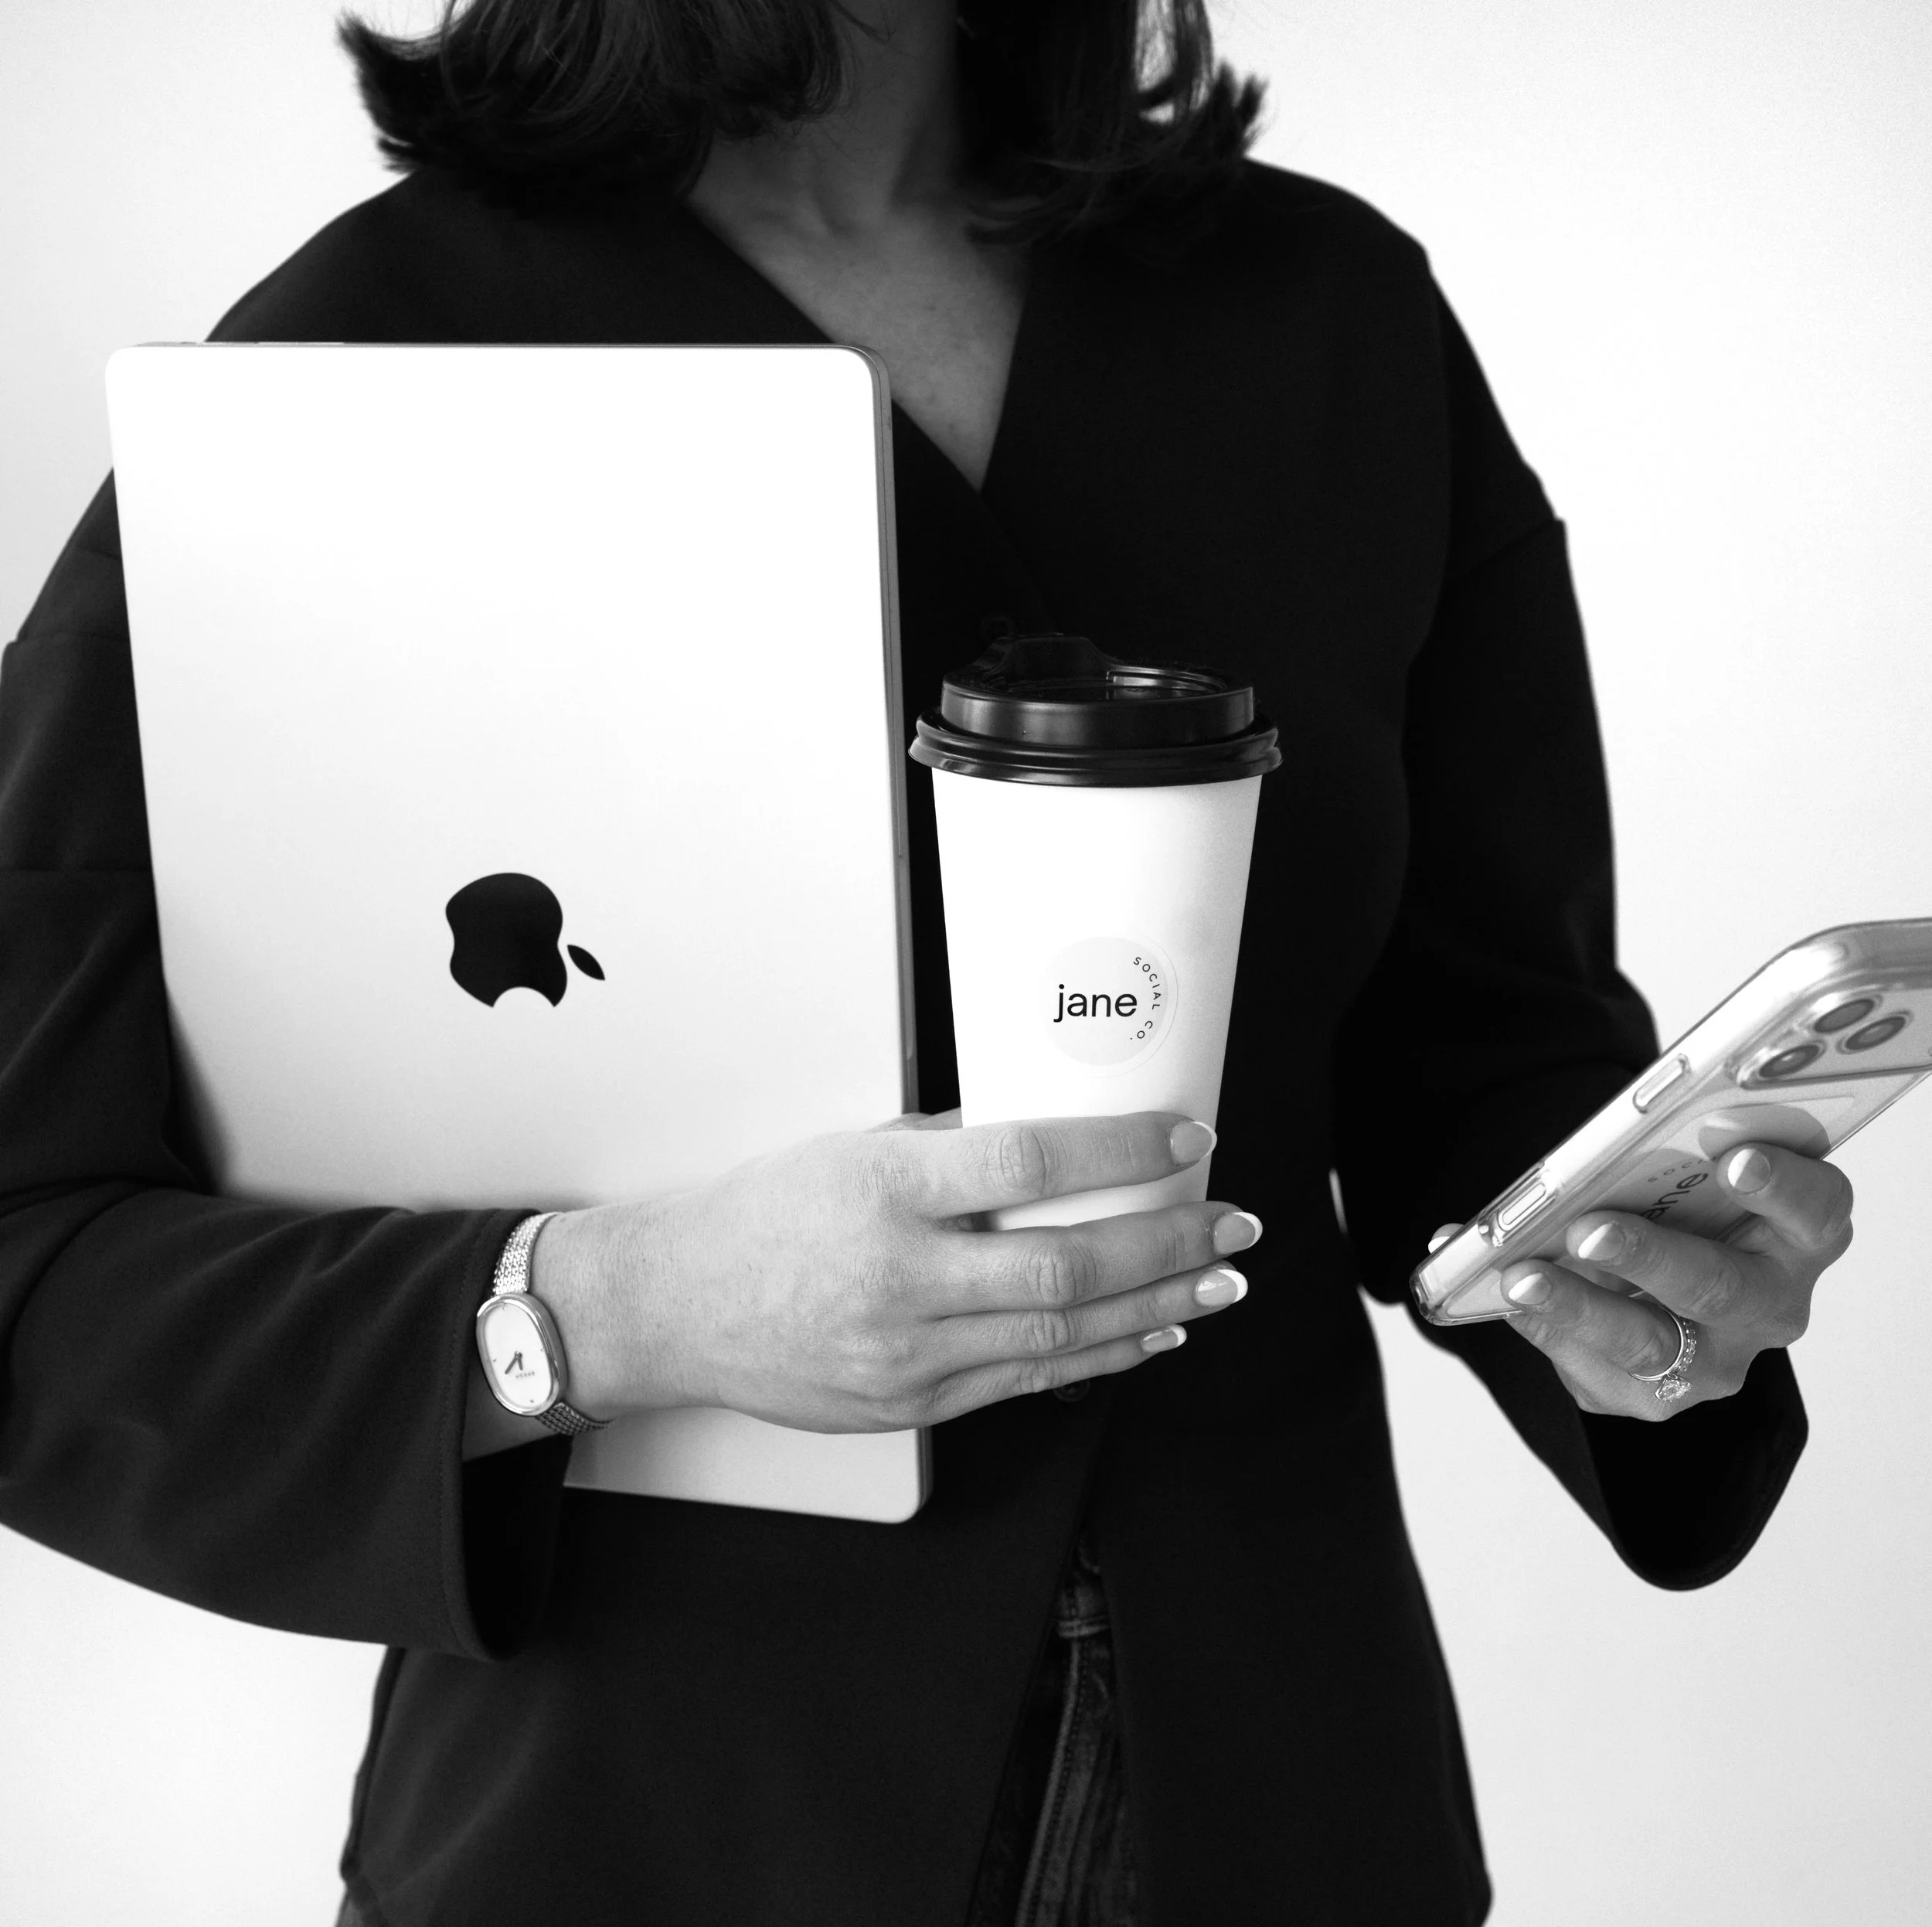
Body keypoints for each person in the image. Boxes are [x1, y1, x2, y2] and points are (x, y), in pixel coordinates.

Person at [0, 1, 1852, 1921]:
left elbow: (1483, 1057)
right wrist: (609, 1312)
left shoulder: (1324, 312)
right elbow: (27, 1248)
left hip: (1291, 1797)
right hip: (641, 1832)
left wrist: (1650, 1292)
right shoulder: (347, 369)